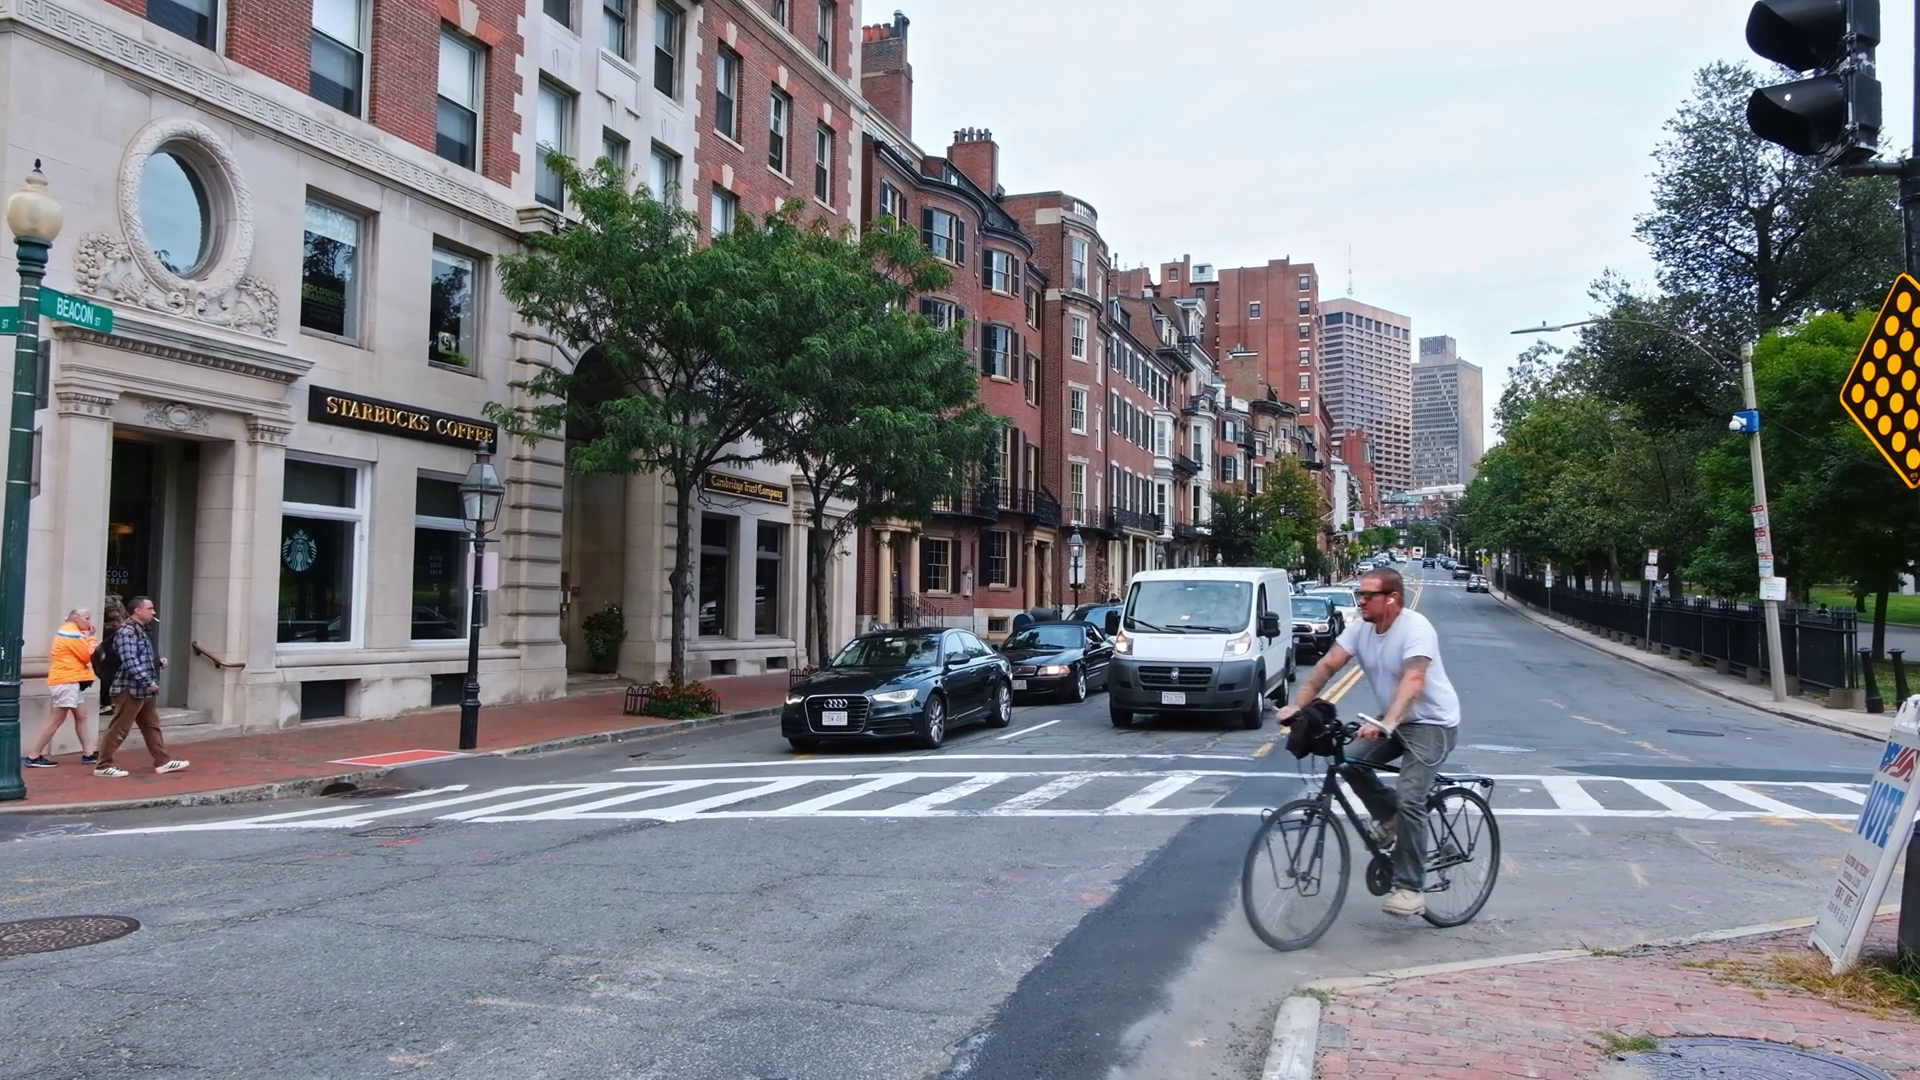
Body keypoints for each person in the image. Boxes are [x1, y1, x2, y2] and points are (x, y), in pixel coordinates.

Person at [1277, 567, 1460, 918]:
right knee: (1349, 762)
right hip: (1392, 717)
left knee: (1411, 797)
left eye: (1367, 595)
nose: (1360, 601)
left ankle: (1411, 888)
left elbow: (1414, 680)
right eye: (1360, 594)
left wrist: (1389, 723)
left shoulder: (1416, 628)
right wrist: (1299, 707)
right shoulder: (1361, 629)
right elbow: (1327, 666)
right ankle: (1390, 818)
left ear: (1392, 599)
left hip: (1432, 723)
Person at [93, 595, 189, 778]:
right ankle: (103, 764)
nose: (153, 612)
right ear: (137, 611)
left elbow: (140, 657)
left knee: (151, 726)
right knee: (119, 728)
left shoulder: (141, 630)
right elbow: (130, 661)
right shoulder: (127, 632)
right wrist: (147, 682)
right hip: (129, 689)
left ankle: (163, 761)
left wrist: (157, 662)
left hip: (141, 690)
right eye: (149, 608)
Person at [24, 608, 100, 768]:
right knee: (57, 718)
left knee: (81, 715)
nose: (89, 622)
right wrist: (92, 638)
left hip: (70, 680)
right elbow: (87, 655)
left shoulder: (71, 632)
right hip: (67, 680)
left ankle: (88, 753)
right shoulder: (71, 633)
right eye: (86, 618)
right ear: (76, 618)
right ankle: (33, 755)